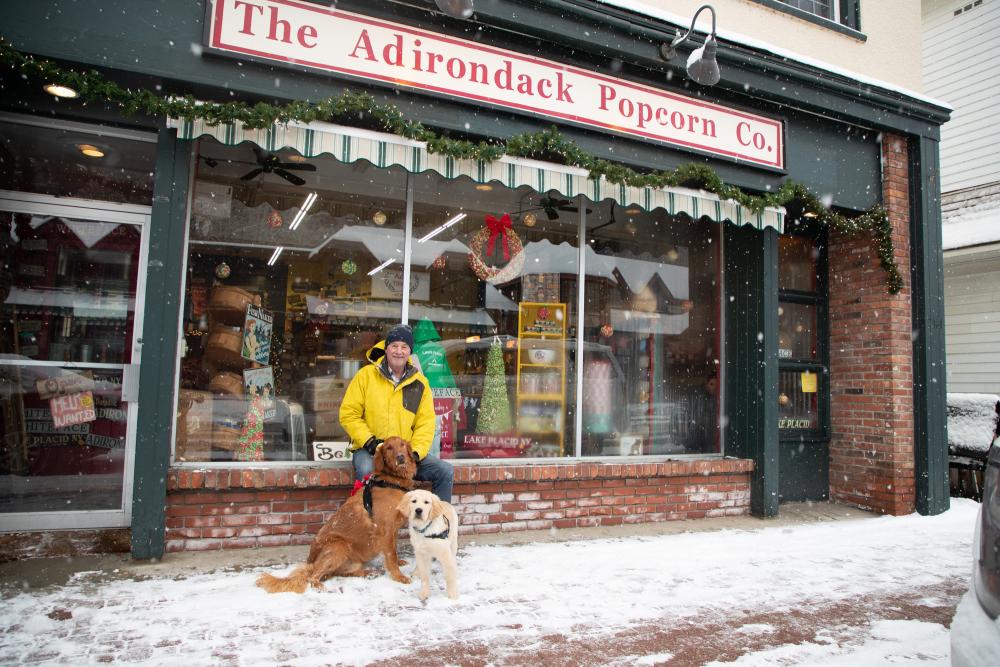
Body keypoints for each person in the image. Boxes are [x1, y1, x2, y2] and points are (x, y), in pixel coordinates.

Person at [339, 323, 454, 502]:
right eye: (394, 346)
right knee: (366, 471)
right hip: (370, 450)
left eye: (404, 347)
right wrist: (370, 442)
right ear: (386, 349)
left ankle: (438, 526)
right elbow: (349, 413)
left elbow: (426, 423)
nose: (399, 351)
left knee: (445, 471)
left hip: (404, 453)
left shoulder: (420, 383)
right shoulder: (366, 376)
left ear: (410, 351)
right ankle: (368, 522)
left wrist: (414, 453)